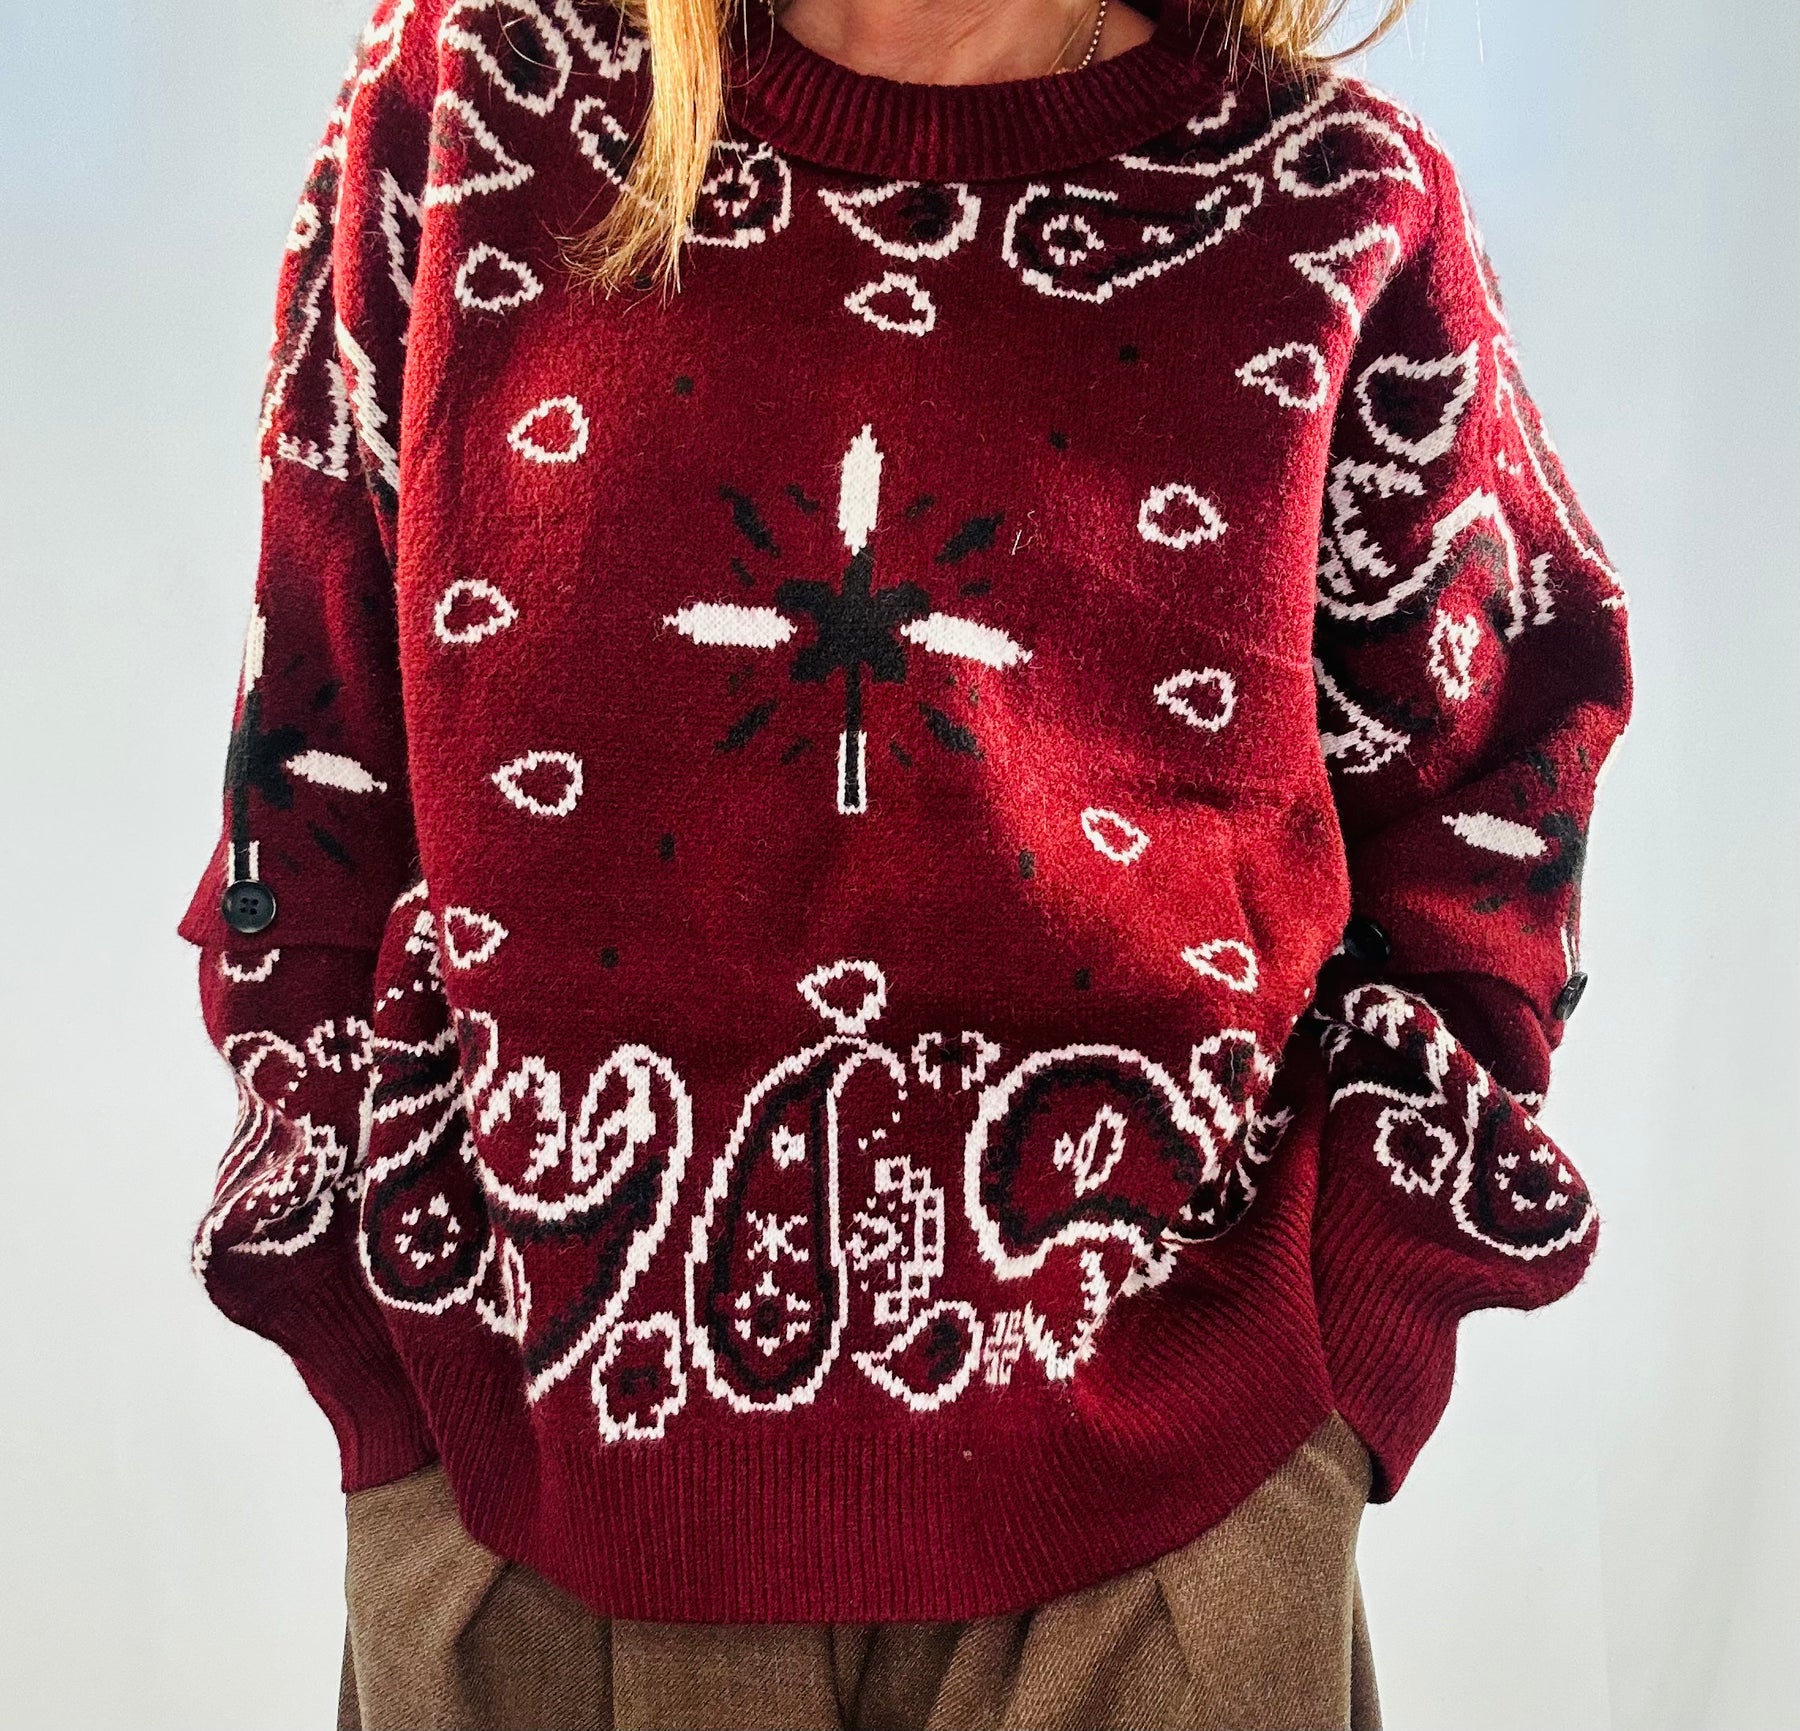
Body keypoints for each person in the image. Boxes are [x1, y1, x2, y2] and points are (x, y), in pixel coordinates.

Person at [180, 0, 1633, 1722]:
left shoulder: (1336, 209)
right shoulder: (478, 103)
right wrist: (380, 1382)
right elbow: (310, 774)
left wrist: (1338, 1366)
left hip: (1161, 1543)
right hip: (525, 1529)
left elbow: (1492, 800)